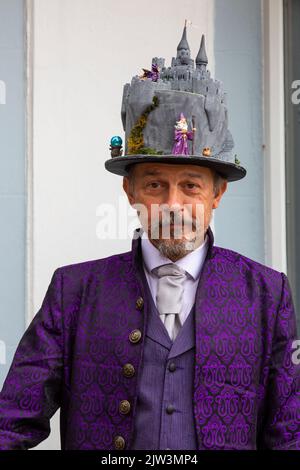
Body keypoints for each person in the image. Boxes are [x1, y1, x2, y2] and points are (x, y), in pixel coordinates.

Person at [0, 24, 299, 451]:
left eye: (191, 186)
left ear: (218, 194)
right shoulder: (74, 292)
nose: (173, 203)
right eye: (155, 185)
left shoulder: (267, 294)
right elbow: (11, 420)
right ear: (131, 191)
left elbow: (290, 432)